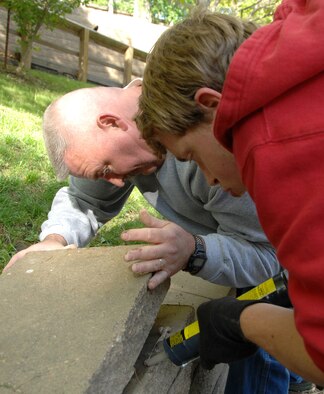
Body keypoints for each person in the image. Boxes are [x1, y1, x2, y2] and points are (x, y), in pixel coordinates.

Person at [5, 81, 309, 393]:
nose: (115, 182)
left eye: (106, 168)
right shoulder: (128, 140)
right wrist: (54, 239)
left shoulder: (210, 144)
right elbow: (85, 201)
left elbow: (268, 256)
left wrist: (195, 250)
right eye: (102, 175)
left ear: (111, 123)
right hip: (233, 235)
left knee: (258, 348)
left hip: (281, 247)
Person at [136, 0, 324, 386]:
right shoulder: (303, 40)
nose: (211, 179)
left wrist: (242, 321)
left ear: (212, 106)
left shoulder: (274, 151)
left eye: (193, 157)